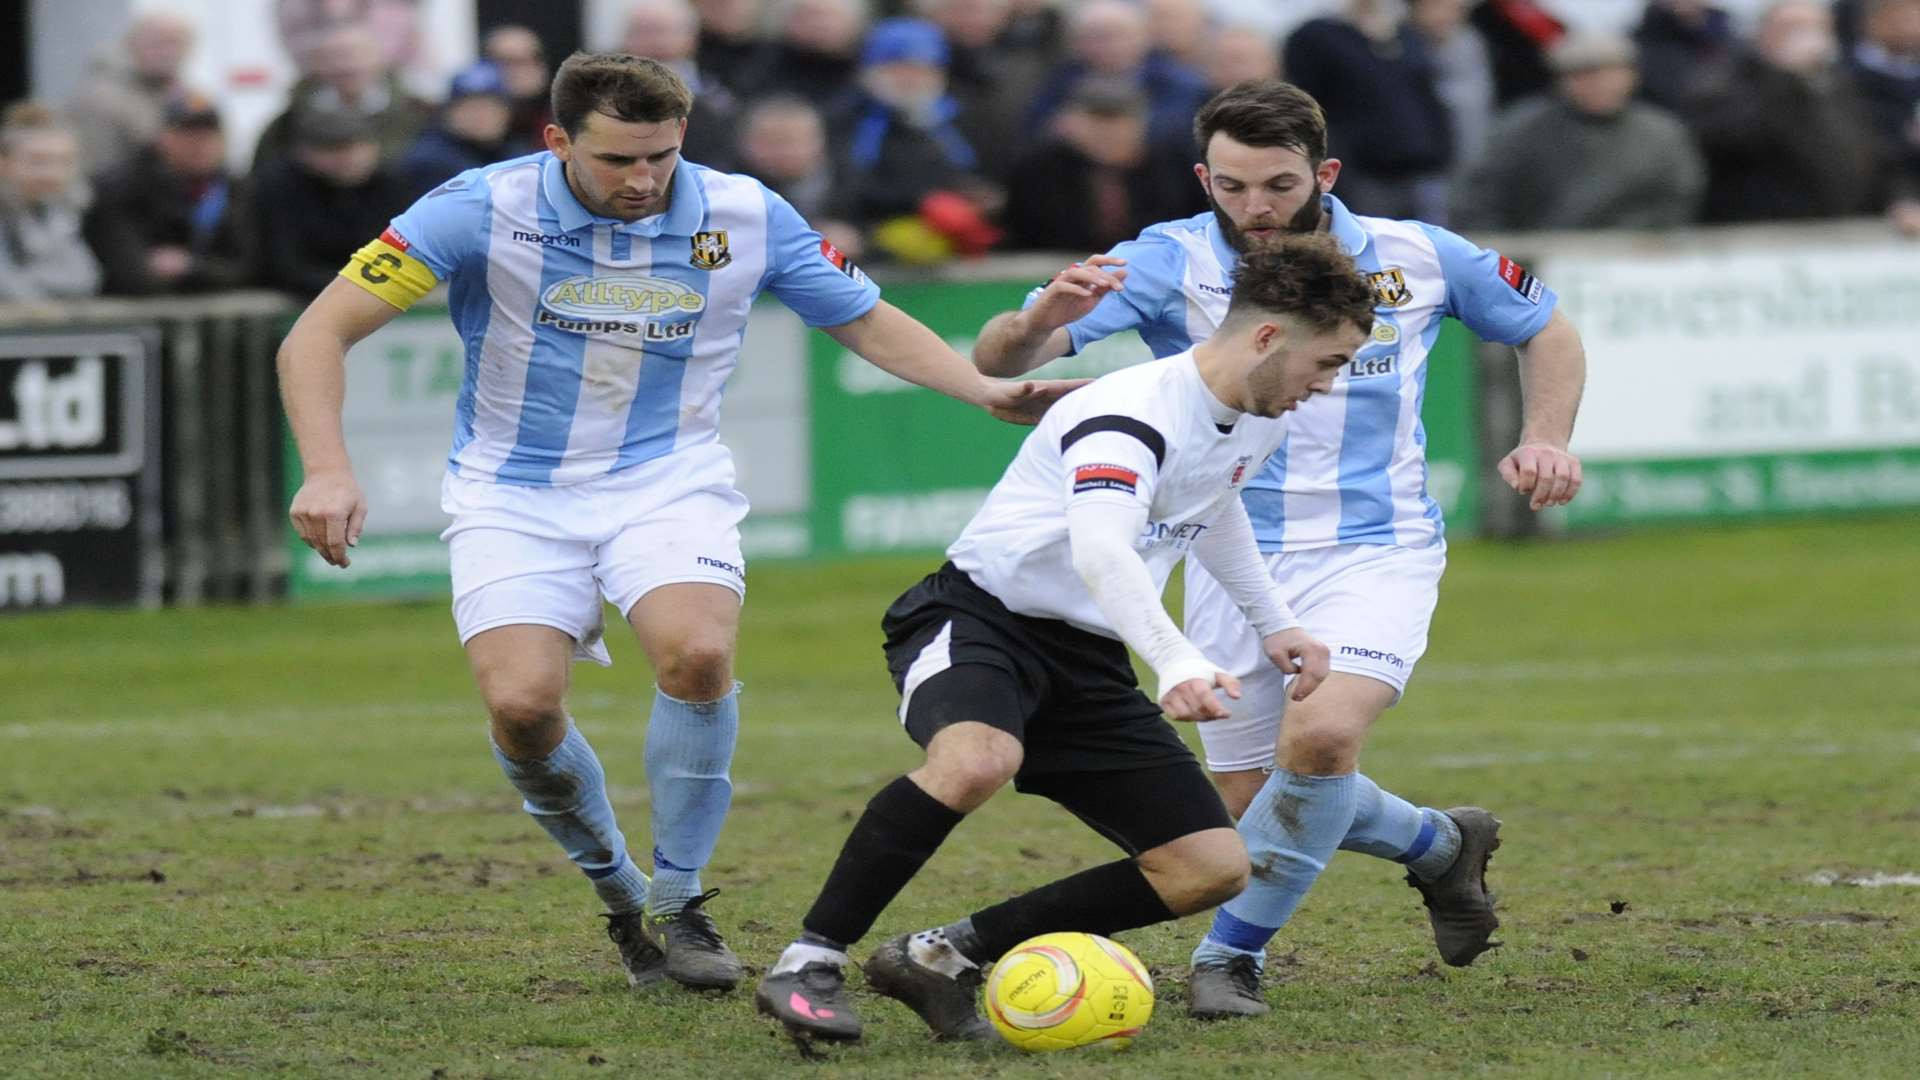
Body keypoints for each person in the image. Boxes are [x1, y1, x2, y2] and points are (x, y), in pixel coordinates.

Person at [278, 52, 1079, 998]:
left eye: (660, 155)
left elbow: (861, 319)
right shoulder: (475, 207)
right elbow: (316, 333)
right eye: (617, 159)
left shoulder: (744, 213)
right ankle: (623, 895)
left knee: (697, 655)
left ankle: (683, 901)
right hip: (511, 492)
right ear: (557, 141)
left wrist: (982, 389)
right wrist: (328, 467)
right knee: (524, 708)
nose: (643, 179)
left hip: (667, 477)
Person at [970, 79, 1589, 1019]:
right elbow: (999, 358)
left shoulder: (1420, 255)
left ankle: (1229, 959)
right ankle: (1436, 845)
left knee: (1325, 737)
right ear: (1202, 177)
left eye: (1276, 185)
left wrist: (1547, 434)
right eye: (1231, 186)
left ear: (1324, 172)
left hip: (1375, 546)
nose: (1254, 208)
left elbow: (1545, 327)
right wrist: (1040, 320)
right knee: (1261, 795)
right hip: (1224, 552)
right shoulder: (1160, 260)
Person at [755, 234, 1370, 1043]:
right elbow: (1102, 549)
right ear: (1266, 337)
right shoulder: (1129, 413)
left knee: (1209, 868)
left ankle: (943, 956)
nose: (1326, 385)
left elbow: (1210, 508)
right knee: (976, 760)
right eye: (1324, 363)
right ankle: (808, 961)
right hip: (977, 619)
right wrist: (1179, 657)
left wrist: (1275, 621)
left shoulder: (1255, 412)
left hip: (1086, 656)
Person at [1452, 32, 1705, 231]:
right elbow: (1480, 200)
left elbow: (1679, 197)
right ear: (1561, 80)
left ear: (1631, 76)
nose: (1598, 84)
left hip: (1636, 263)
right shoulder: (1519, 131)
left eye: (1610, 73)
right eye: (1583, 75)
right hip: (1536, 265)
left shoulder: (1662, 133)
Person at [1000, 77, 1208, 252]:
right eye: (1095, 121)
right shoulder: (1038, 167)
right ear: (1068, 123)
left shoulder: (1171, 165)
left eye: (1118, 122)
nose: (1107, 133)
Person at [87, 91, 252, 296]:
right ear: (162, 138)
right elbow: (132, 273)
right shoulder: (122, 188)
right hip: (132, 321)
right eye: (187, 134)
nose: (200, 145)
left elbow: (250, 268)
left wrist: (192, 267)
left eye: (208, 135)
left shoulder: (236, 190)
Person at [252, 109, 413, 297]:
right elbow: (284, 263)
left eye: (357, 146)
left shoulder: (391, 183)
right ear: (304, 153)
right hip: (309, 298)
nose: (348, 158)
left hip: (376, 293)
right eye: (334, 149)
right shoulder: (279, 187)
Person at [65, 11, 195, 175]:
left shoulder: (180, 92)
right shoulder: (100, 96)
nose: (168, 52)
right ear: (131, 44)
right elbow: (98, 170)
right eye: (159, 43)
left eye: (176, 43)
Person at [0, 104, 101, 303]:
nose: (51, 174)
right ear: (4, 162)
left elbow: (85, 280)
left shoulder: (60, 212)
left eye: (63, 162)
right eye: (38, 161)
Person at [398, 62, 518, 199]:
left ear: (507, 112)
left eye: (490, 107)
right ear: (449, 112)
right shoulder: (428, 163)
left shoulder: (517, 153)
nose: (480, 116)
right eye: (469, 107)